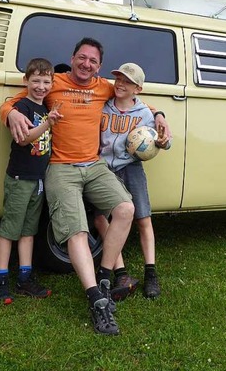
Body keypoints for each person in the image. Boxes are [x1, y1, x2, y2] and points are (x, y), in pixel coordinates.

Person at [0, 37, 170, 335]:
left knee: (126, 208)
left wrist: (158, 115)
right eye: (82, 57)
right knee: (77, 230)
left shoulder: (104, 86)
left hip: (94, 165)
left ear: (99, 66)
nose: (86, 64)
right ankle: (96, 299)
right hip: (61, 169)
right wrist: (10, 113)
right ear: (73, 57)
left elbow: (135, 98)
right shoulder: (55, 83)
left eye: (92, 61)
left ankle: (104, 277)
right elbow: (16, 101)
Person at [96, 63, 171, 299]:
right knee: (101, 217)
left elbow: (164, 140)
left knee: (143, 219)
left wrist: (162, 141)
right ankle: (121, 271)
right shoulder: (104, 107)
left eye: (127, 82)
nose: (120, 84)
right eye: (118, 79)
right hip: (105, 169)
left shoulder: (144, 114)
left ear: (137, 88)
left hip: (132, 168)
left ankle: (151, 274)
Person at [0, 58, 62, 305]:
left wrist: (48, 120)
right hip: (20, 178)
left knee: (29, 231)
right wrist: (47, 124)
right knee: (10, 229)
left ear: (52, 83)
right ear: (26, 81)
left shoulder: (45, 109)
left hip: (38, 180)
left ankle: (25, 277)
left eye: (46, 82)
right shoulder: (21, 107)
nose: (41, 86)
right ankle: (1, 280)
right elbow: (23, 139)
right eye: (36, 81)